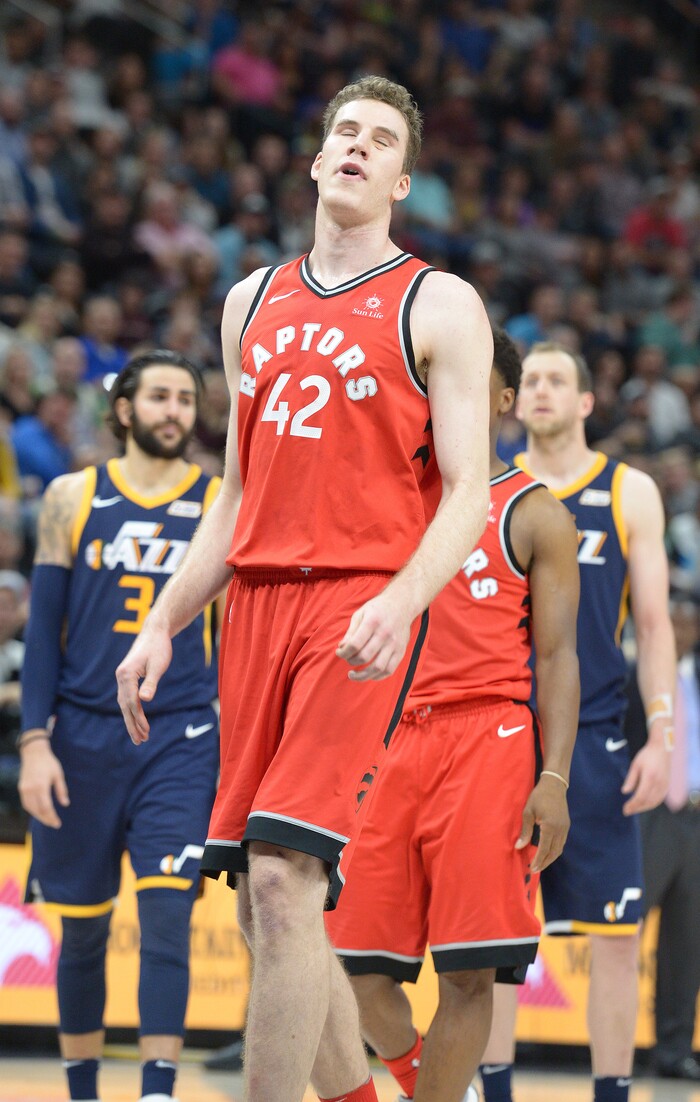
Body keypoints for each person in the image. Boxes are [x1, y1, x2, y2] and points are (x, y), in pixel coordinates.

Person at [116, 75, 492, 1102]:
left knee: (286, 880)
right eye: (345, 134)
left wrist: (403, 596)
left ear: (402, 180)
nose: (358, 148)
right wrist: (163, 618)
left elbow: (465, 490)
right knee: (263, 902)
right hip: (255, 609)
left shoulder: (439, 302)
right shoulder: (250, 302)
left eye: (380, 140)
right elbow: (235, 494)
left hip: (359, 603)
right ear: (318, 159)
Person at [324, 327, 581, 1102]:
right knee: (346, 969)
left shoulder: (537, 514)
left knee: (469, 973)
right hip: (383, 737)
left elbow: (560, 658)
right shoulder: (382, 495)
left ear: (501, 397)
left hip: (488, 739)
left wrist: (556, 776)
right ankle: (427, 1084)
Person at [18, 350, 221, 1102]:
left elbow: (235, 637)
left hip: (180, 735)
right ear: (126, 409)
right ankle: (81, 1092)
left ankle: (158, 1092)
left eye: (186, 399)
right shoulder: (72, 498)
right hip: (82, 736)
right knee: (84, 931)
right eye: (159, 396)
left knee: (168, 916)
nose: (174, 410)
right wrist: (35, 742)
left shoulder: (220, 502)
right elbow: (43, 636)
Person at [482, 342, 676, 1102]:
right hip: (500, 733)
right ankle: (491, 1091)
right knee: (491, 943)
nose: (538, 390)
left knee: (618, 940)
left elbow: (655, 628)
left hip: (596, 736)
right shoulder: (488, 489)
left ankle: (613, 1095)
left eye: (556, 380)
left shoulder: (628, 492)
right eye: (528, 379)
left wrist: (661, 733)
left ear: (588, 403)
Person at [626, 598, 700, 1081]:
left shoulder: (694, 680)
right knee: (623, 934)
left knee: (686, 941)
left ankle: (674, 1051)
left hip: (693, 818)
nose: (682, 625)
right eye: (672, 615)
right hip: (647, 813)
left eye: (690, 618)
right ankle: (611, 1045)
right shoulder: (636, 674)